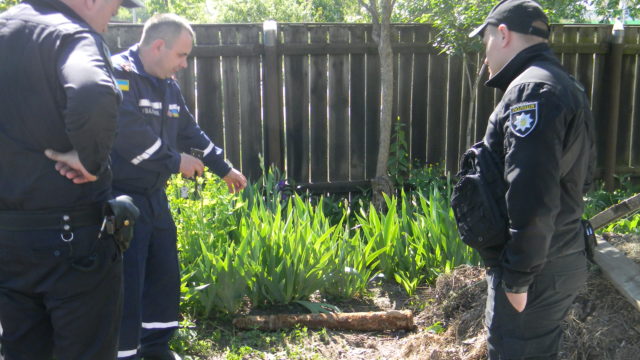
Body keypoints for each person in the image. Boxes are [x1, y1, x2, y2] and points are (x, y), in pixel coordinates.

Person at [0, 0, 143, 359]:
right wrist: (89, 157)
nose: (116, 15)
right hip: (74, 244)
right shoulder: (72, 35)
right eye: (115, 5)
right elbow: (93, 89)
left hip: (8, 242)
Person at [110, 13, 247, 360]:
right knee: (127, 284)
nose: (184, 64)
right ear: (158, 46)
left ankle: (156, 349)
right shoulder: (118, 74)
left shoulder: (167, 84)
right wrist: (175, 162)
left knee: (163, 275)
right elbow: (126, 135)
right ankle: (125, 354)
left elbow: (188, 130)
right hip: (120, 200)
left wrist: (223, 168)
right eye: (181, 55)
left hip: (155, 198)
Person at [468, 0, 596, 358]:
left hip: (536, 269)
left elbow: (532, 192)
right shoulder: (562, 84)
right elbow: (580, 179)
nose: (485, 54)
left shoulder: (531, 91)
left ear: (504, 34)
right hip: (557, 256)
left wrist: (519, 276)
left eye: (487, 40)